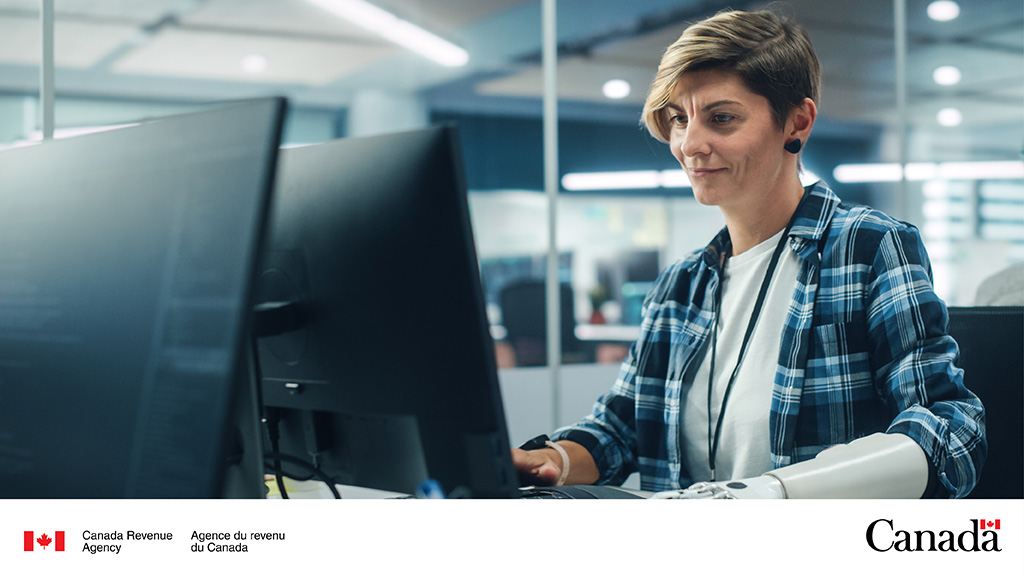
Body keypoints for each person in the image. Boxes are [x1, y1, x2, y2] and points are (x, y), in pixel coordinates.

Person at [512, 9, 986, 499]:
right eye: (679, 119)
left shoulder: (866, 247)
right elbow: (622, 428)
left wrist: (777, 493)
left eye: (721, 118)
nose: (690, 144)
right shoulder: (681, 285)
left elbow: (949, 431)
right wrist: (550, 461)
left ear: (797, 122)